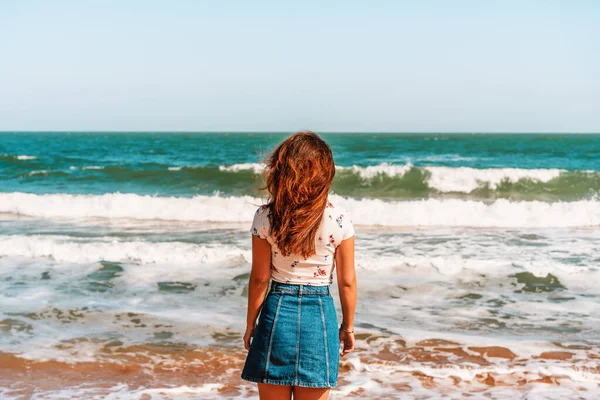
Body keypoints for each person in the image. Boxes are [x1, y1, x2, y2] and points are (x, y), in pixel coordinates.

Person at [241, 131, 357, 400]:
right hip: (320, 317)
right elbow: (347, 281)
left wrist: (250, 324)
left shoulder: (265, 216)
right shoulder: (340, 219)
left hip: (276, 315)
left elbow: (260, 278)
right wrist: (348, 327)